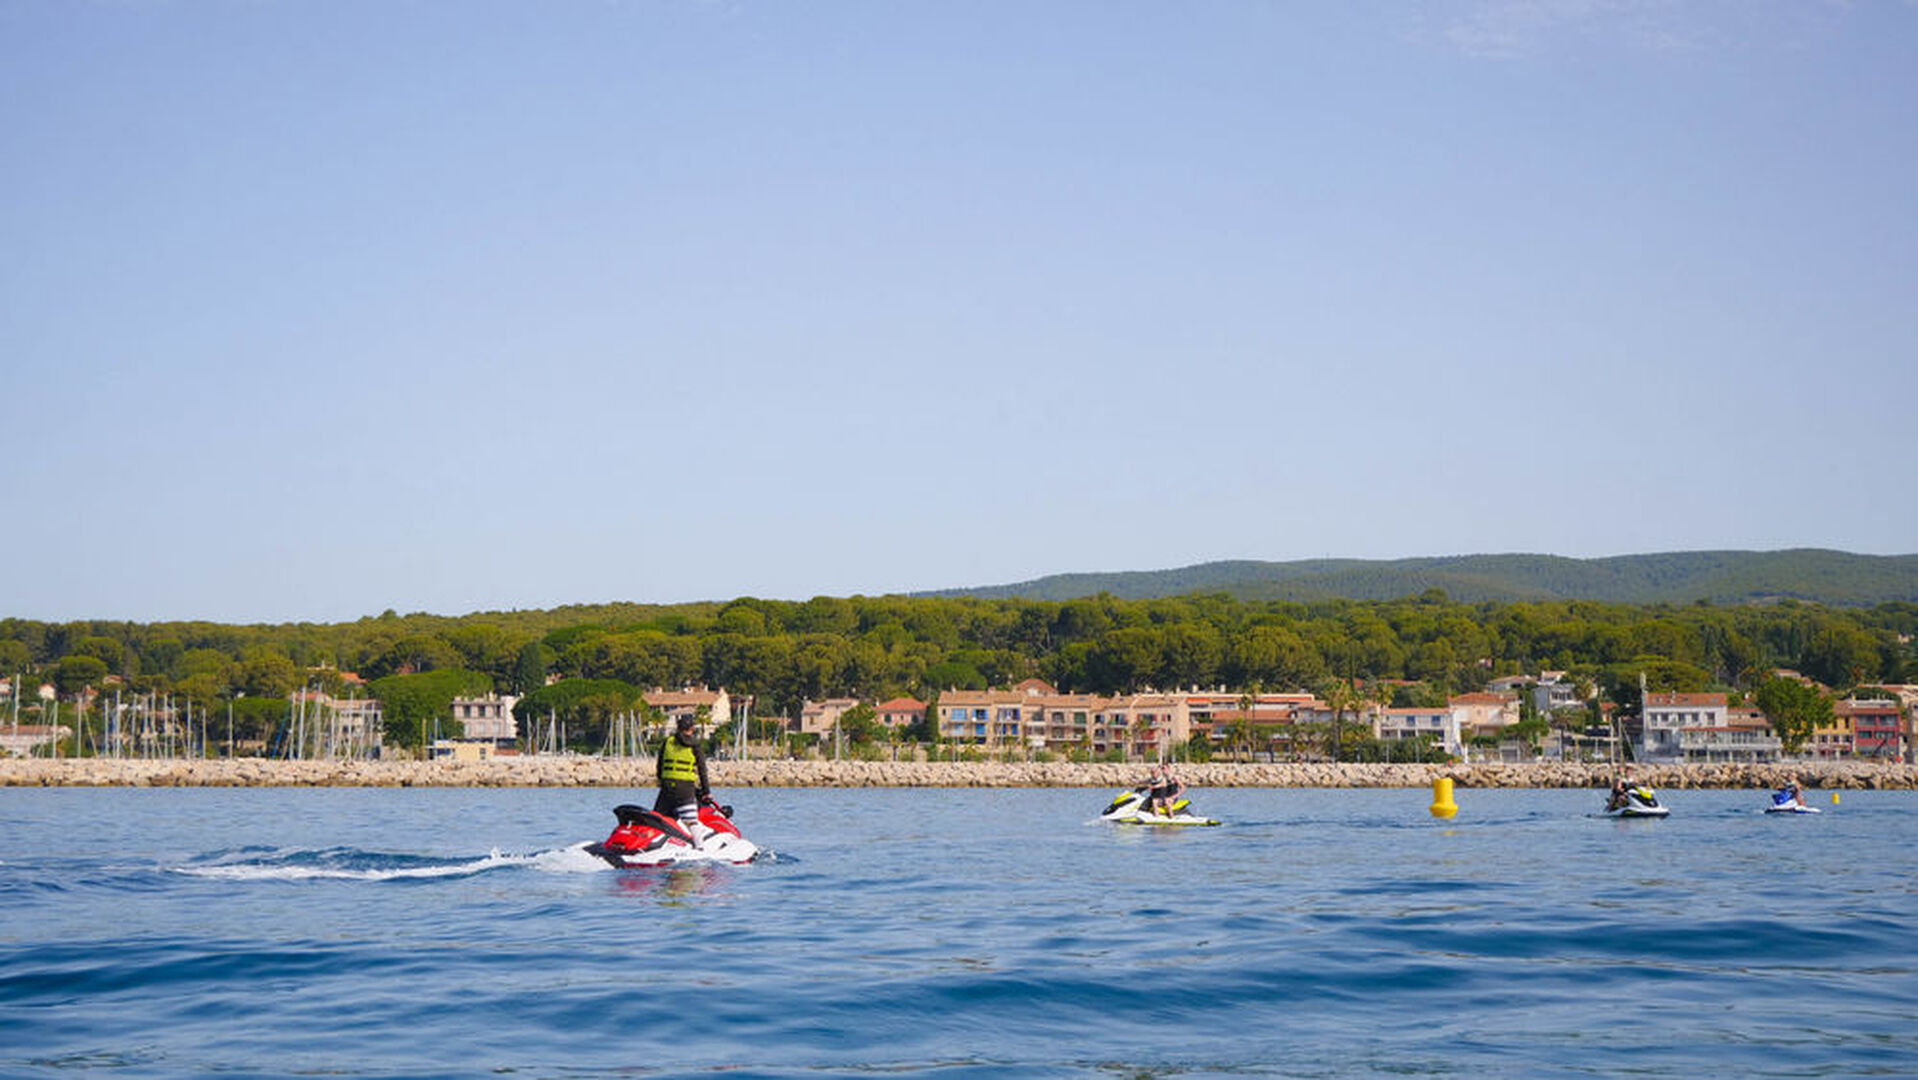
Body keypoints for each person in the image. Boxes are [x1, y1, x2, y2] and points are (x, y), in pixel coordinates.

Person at [655, 715, 711, 846]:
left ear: (678, 727)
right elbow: (702, 770)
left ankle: (654, 846)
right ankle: (700, 849)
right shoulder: (695, 745)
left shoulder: (667, 742)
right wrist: (706, 792)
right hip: (685, 788)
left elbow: (659, 765)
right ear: (692, 728)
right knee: (691, 821)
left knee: (658, 819)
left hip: (667, 787)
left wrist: (661, 781)